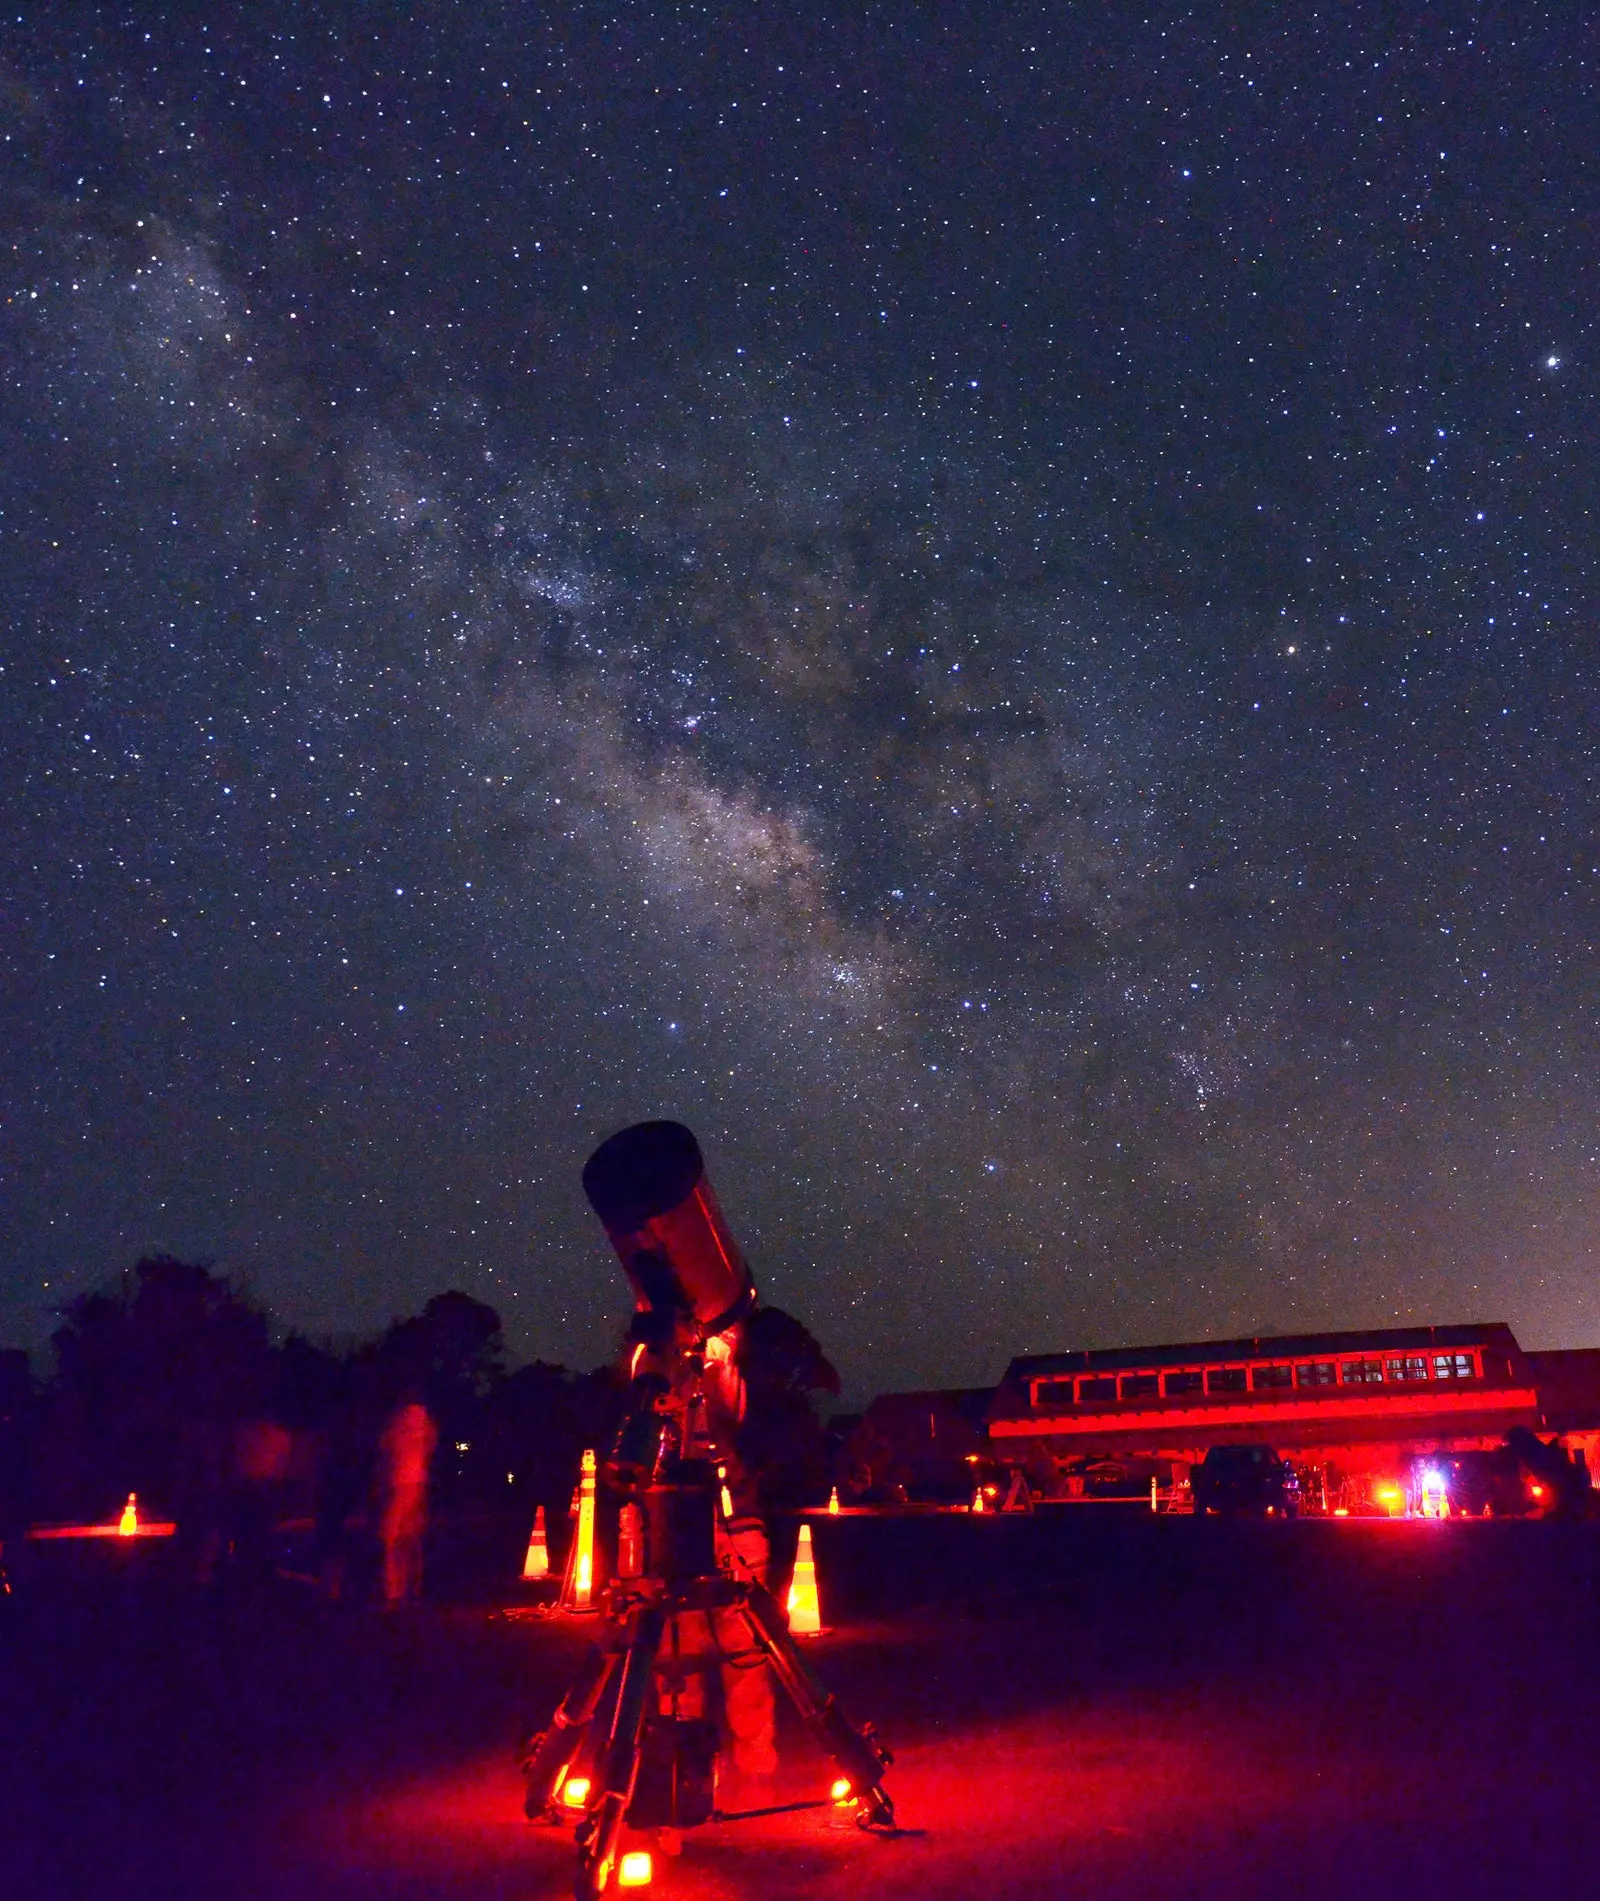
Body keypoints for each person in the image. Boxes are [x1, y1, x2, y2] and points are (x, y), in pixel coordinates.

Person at [375, 1393, 437, 1606]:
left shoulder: (400, 1422)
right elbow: (429, 1446)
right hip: (415, 1484)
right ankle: (412, 1588)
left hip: (402, 1485)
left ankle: (396, 1592)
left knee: (393, 1540)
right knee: (410, 1539)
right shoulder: (424, 1421)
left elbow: (386, 1451)